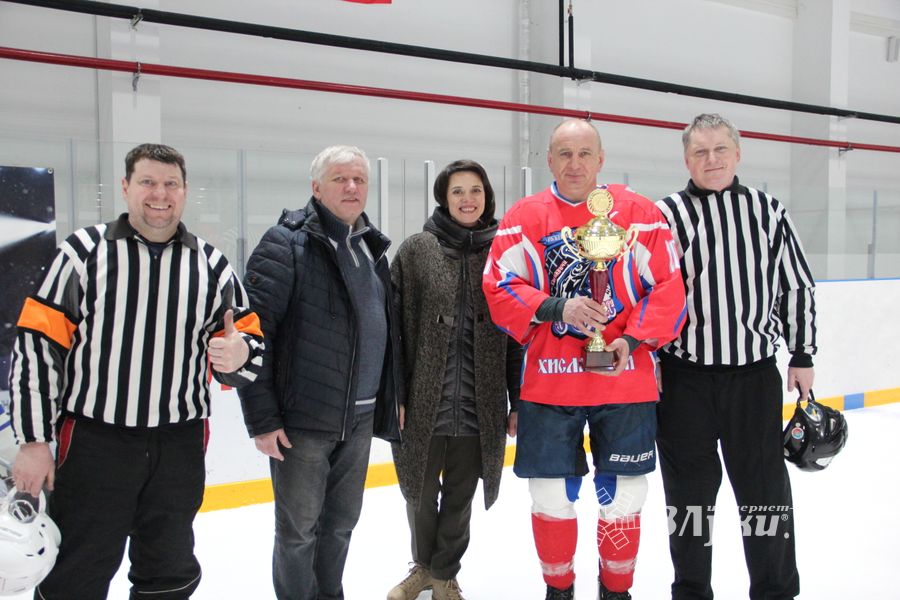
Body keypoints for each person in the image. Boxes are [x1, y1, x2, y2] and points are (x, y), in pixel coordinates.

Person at [9, 143, 264, 599]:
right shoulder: (81, 254)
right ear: (126, 188)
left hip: (178, 445)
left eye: (170, 184)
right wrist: (32, 442)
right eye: (147, 182)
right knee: (78, 570)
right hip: (94, 442)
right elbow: (36, 348)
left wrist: (240, 356)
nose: (159, 194)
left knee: (168, 569)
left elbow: (248, 345)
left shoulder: (212, 265)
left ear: (185, 192)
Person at [482, 119, 686, 600]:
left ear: (601, 159)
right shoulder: (522, 218)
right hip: (550, 386)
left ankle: (616, 593)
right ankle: (560, 591)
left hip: (625, 383)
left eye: (584, 153)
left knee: (624, 499)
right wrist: (558, 307)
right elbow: (497, 288)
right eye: (564, 153)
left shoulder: (641, 214)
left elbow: (670, 288)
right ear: (549, 160)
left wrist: (631, 341)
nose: (575, 164)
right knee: (551, 498)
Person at [655, 113, 816, 600]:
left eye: (720, 149)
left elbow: (797, 285)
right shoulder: (665, 215)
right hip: (685, 381)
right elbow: (644, 292)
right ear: (687, 159)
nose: (712, 159)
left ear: (737, 153)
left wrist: (802, 352)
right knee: (688, 498)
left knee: (764, 494)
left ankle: (774, 591)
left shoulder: (768, 210)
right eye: (701, 152)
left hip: (752, 378)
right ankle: (691, 591)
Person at [237, 145, 402, 600]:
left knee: (341, 526)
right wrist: (263, 419)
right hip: (303, 422)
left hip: (361, 419)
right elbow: (254, 336)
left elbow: (383, 332)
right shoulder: (286, 242)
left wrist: (393, 400)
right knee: (298, 533)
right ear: (316, 187)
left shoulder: (372, 247)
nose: (351, 187)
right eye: (339, 179)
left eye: (359, 180)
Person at [387, 160, 522, 600]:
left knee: (461, 495)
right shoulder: (417, 250)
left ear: (487, 197)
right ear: (443, 198)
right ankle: (423, 567)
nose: (468, 199)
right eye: (458, 191)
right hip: (425, 398)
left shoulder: (504, 252)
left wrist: (516, 399)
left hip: (479, 400)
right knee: (419, 492)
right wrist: (396, 393)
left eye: (476, 190)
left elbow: (518, 332)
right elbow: (394, 327)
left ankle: (443, 574)